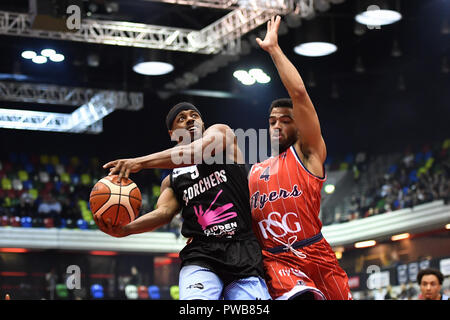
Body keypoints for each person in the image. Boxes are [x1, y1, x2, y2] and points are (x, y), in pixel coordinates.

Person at [96, 102, 271, 300]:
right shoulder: (172, 180)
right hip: (201, 255)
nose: (189, 119)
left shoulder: (222, 134)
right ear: (172, 134)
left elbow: (195, 153)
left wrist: (139, 162)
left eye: (194, 115)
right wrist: (126, 230)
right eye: (181, 118)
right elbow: (163, 213)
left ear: (203, 123)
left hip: (243, 249)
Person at [247, 16, 352, 300]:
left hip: (315, 253)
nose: (276, 125)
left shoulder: (308, 153)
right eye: (271, 121)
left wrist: (274, 50)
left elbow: (299, 93)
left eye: (284, 120)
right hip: (276, 261)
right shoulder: (254, 171)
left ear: (298, 125)